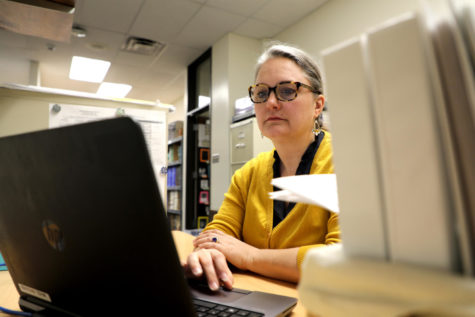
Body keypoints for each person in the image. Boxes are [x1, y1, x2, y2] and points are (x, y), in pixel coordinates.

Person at [183, 43, 340, 291]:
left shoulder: (348, 165)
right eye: (262, 93)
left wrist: (251, 257)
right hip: (253, 300)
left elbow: (342, 260)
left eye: (287, 91)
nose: (271, 103)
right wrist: (207, 254)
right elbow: (218, 232)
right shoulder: (248, 174)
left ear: (317, 105)